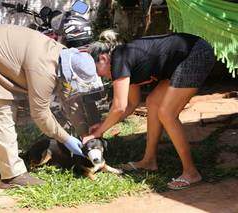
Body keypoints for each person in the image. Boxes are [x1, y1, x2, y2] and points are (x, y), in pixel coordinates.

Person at [0, 24, 102, 189]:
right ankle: (12, 175)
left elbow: (70, 99)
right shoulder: (44, 70)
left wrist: (84, 134)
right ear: (69, 74)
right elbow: (40, 114)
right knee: (0, 108)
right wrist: (66, 139)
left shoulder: (66, 57)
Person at [83, 30, 215, 190]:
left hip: (196, 53)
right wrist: (103, 125)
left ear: (103, 58)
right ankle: (149, 161)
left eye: (96, 70)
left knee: (167, 113)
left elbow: (119, 107)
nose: (98, 76)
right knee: (152, 102)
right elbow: (131, 104)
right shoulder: (123, 61)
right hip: (183, 59)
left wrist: (97, 133)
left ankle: (191, 172)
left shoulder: (119, 59)